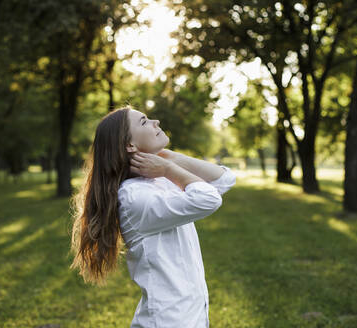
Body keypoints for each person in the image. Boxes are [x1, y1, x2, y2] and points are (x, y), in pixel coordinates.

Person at [70, 106, 236, 328]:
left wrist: (171, 158)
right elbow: (209, 199)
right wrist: (169, 168)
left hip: (189, 314)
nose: (155, 121)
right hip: (170, 320)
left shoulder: (157, 180)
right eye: (144, 121)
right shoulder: (133, 196)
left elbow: (224, 180)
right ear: (130, 145)